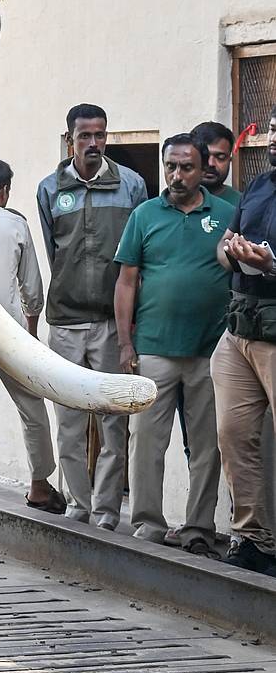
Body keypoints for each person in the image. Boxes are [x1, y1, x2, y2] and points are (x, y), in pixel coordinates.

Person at [114, 134, 231, 555]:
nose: (177, 175)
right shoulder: (145, 215)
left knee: (206, 445)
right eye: (171, 166)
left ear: (204, 171)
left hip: (210, 351)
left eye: (186, 167)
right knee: (145, 439)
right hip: (154, 349)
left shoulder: (227, 215)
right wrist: (126, 344)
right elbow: (126, 282)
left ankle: (198, 527)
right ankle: (147, 523)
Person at [37, 104, 147, 528]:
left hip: (109, 324)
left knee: (112, 421)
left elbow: (138, 258)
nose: (94, 143)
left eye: (100, 135)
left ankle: (105, 512)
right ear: (70, 140)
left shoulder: (132, 186)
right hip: (65, 322)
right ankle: (78, 506)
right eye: (85, 136)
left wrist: (127, 330)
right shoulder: (50, 189)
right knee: (68, 421)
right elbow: (54, 252)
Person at [0, 158, 64, 560]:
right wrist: (29, 331)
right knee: (34, 413)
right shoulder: (15, 223)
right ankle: (40, 485)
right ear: (3, 190)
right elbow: (33, 289)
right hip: (10, 337)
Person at [210, 105, 276, 577]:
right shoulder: (258, 186)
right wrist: (235, 255)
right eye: (274, 129)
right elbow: (224, 244)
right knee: (234, 436)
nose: (274, 138)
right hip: (240, 332)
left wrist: (272, 265)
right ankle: (255, 539)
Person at [191, 121, 241, 209]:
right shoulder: (173, 203)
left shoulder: (243, 204)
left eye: (220, 157)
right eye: (204, 156)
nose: (211, 163)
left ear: (230, 160)